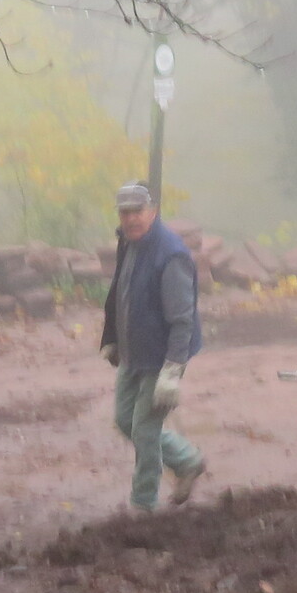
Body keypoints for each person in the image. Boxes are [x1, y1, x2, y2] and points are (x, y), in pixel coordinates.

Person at [99, 179, 206, 511]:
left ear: (154, 211)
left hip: (162, 356)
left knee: (145, 430)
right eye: (125, 212)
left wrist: (172, 372)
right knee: (124, 420)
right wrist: (113, 339)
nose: (131, 218)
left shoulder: (171, 255)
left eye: (138, 211)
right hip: (134, 352)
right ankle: (187, 460)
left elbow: (182, 320)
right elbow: (121, 293)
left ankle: (143, 504)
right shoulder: (130, 242)